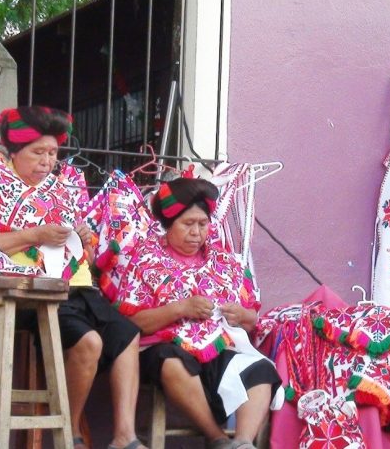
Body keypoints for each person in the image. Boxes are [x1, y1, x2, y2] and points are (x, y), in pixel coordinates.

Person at [0, 106, 146, 449]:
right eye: (37, 152)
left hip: (71, 288)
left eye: (53, 153)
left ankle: (124, 437)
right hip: (22, 292)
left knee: (126, 333)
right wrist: (33, 236)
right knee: (90, 342)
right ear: (13, 153)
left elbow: (75, 250)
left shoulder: (60, 190)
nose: (46, 161)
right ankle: (67, 433)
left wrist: (82, 238)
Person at [116, 178, 282, 449]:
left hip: (219, 348)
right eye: (187, 224)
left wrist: (241, 315)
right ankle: (217, 438)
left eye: (202, 224)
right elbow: (133, 322)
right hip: (165, 349)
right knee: (172, 360)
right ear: (169, 225)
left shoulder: (226, 263)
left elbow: (254, 320)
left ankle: (242, 443)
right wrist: (180, 308)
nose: (196, 232)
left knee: (260, 369)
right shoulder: (146, 260)